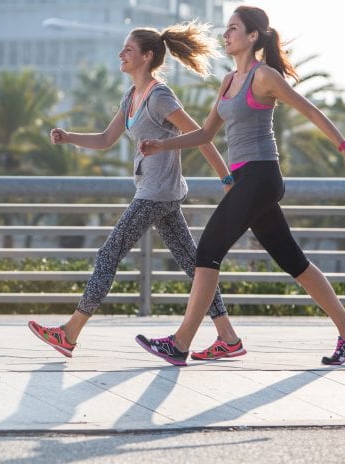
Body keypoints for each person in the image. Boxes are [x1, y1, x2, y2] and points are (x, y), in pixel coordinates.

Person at [135, 5, 345, 367]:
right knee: (295, 261)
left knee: (207, 252)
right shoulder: (229, 81)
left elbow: (310, 111)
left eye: (233, 29)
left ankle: (180, 343)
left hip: (262, 175)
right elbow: (205, 133)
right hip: (247, 179)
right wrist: (161, 144)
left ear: (252, 36)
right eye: (226, 29)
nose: (226, 35)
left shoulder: (264, 77)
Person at [28, 21, 246, 365]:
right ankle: (228, 337)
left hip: (157, 193)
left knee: (109, 253)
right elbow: (105, 139)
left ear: (146, 57)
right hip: (156, 191)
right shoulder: (131, 96)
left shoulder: (160, 96)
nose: (121, 54)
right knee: (195, 264)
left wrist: (227, 179)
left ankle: (69, 334)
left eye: (128, 50)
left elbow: (201, 135)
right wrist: (69, 137)